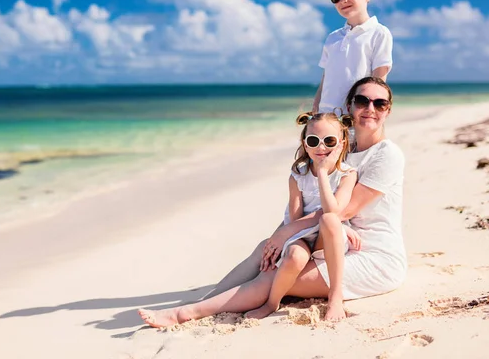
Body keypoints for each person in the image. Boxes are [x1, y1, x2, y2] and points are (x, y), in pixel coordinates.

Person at [138, 76, 406, 326]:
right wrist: (278, 238)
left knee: (273, 277)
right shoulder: (342, 149)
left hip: (373, 256)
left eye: (380, 103)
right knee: (265, 250)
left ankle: (186, 314)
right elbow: (311, 195)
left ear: (389, 111)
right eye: (362, 101)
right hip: (335, 245)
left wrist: (286, 231)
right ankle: (205, 301)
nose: (370, 108)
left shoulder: (387, 155)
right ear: (350, 106)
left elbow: (340, 211)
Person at [245, 111, 359, 320]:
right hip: (304, 234)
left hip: (329, 238)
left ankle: (335, 297)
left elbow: (333, 211)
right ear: (305, 144)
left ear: (342, 143)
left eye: (329, 141)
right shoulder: (298, 175)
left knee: (329, 219)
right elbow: (296, 220)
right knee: (294, 257)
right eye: (314, 141)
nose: (321, 147)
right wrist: (283, 239)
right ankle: (272, 303)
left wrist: (323, 173)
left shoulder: (347, 174)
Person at [312, 0, 393, 114]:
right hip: (326, 119)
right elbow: (326, 77)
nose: (343, 0)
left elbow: (379, 83)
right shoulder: (333, 38)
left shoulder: (379, 33)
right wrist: (316, 107)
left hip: (354, 119)